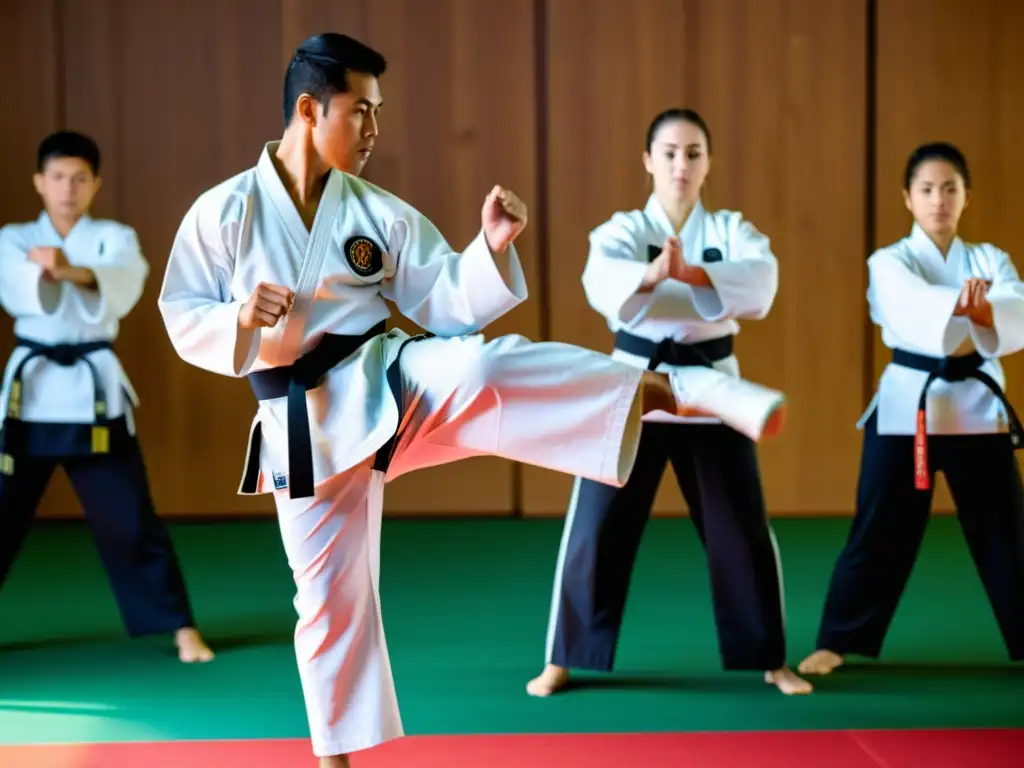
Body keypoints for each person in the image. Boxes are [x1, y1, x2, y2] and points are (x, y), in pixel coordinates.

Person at [525, 108, 811, 699]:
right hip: (634, 383)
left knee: (742, 525)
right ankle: (564, 657)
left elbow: (761, 282)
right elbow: (602, 282)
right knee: (596, 524)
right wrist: (654, 274)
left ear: (708, 162)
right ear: (648, 160)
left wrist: (694, 278)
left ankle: (770, 658)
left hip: (712, 388)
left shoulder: (732, 229)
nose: (682, 164)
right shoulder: (622, 230)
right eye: (671, 152)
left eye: (694, 153)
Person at [799, 142, 1024, 678]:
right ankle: (838, 640)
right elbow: (913, 308)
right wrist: (965, 309)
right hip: (909, 409)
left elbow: (1014, 308)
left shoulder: (988, 259)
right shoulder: (889, 261)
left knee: (1008, 531)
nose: (938, 200)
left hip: (975, 407)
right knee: (879, 529)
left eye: (950, 188)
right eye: (926, 189)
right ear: (907, 197)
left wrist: (984, 310)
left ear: (966, 196)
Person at [0, 130, 213, 663]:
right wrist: (57, 271)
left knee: (129, 516)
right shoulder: (13, 238)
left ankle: (182, 628)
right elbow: (19, 288)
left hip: (94, 399)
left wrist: (66, 269)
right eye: (57, 178)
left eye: (79, 178)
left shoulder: (115, 237)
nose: (67, 189)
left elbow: (124, 282)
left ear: (95, 184)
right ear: (38, 183)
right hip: (30, 398)